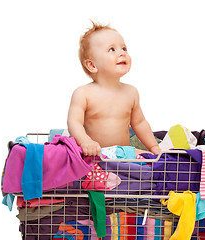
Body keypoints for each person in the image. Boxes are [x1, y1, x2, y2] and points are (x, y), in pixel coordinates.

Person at [67, 22, 161, 157]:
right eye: (112, 49)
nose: (122, 53)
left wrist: (154, 147)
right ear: (92, 65)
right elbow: (74, 122)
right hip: (94, 155)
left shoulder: (131, 92)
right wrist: (86, 142)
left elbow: (139, 123)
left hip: (122, 155)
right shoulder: (83, 93)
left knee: (154, 160)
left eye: (124, 48)